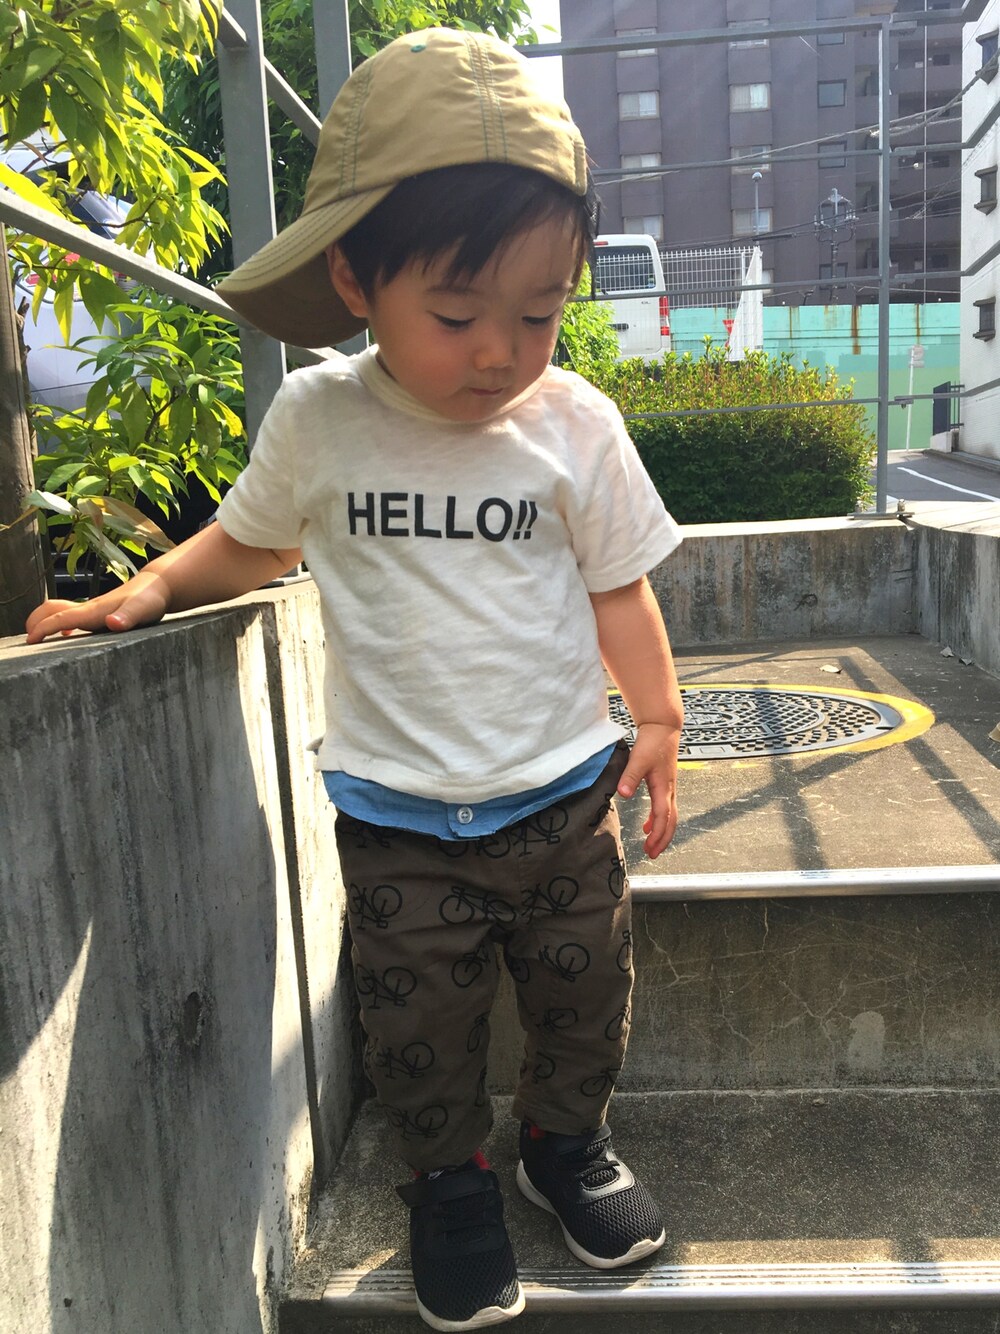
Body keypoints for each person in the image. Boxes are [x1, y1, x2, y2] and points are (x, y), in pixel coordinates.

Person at [26, 28, 685, 1332]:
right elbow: (251, 540)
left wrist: (657, 714)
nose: (500, 351)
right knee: (417, 1025)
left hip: (562, 790)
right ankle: (448, 1183)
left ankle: (565, 1142)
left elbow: (619, 585)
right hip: (397, 813)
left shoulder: (575, 426)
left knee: (584, 992)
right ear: (355, 277)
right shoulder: (321, 418)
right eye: (457, 313)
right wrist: (145, 588)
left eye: (540, 313)